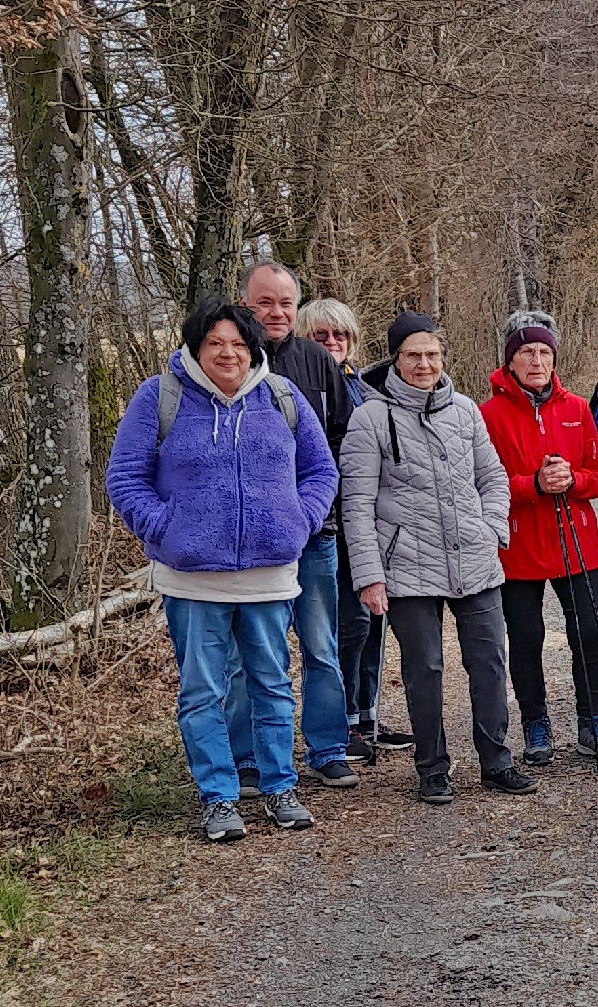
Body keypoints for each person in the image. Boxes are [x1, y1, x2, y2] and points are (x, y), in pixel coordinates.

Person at [106, 298, 338, 840]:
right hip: (192, 578)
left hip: (269, 574)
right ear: (195, 347)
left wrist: (296, 524)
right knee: (202, 692)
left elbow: (321, 470)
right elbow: (124, 477)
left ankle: (281, 787)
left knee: (272, 685)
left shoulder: (281, 397)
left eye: (238, 343)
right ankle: (219, 797)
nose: (228, 353)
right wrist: (165, 529)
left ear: (252, 348)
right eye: (215, 343)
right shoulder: (158, 397)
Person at [340, 311, 538, 804]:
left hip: (474, 558)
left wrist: (492, 530)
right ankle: (431, 768)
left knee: (489, 662)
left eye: (432, 354)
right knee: (424, 667)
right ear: (396, 359)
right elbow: (357, 505)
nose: (424, 364)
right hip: (405, 564)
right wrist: (369, 575)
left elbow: (492, 479)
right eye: (413, 355)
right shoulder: (370, 418)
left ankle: (497, 761)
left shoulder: (465, 410)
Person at [226, 262, 356, 794]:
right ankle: (249, 756)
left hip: (313, 534)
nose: (276, 313)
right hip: (250, 544)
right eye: (264, 303)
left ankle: (327, 748)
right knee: (249, 653)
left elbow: (342, 442)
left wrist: (315, 513)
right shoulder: (228, 361)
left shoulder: (316, 361)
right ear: (245, 305)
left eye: (285, 303)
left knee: (321, 645)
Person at [480, 311, 598, 765]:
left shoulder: (577, 408)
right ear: (510, 360)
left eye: (543, 351)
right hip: (519, 544)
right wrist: (533, 485)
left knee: (589, 633)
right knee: (525, 637)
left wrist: (572, 480)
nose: (536, 360)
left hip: (575, 541)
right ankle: (536, 723)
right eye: (526, 352)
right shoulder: (488, 414)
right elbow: (485, 484)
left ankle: (593, 719)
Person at [298, 298, 414, 763]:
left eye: (339, 336)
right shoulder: (300, 391)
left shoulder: (365, 388)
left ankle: (367, 715)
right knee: (348, 625)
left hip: (374, 522)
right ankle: (342, 720)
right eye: (321, 336)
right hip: (331, 524)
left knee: (375, 620)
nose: (331, 344)